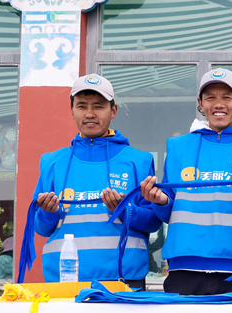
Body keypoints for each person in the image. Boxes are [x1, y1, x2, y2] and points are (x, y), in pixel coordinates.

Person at [140, 68, 232, 295]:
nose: (219, 104)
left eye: (227, 97)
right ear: (200, 103)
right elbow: (169, 210)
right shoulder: (178, 147)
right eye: (211, 97)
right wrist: (160, 201)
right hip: (183, 267)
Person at [32, 74, 160, 288]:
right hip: (65, 278)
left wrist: (124, 210)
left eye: (98, 106)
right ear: (72, 110)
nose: (90, 114)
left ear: (113, 111)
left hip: (124, 280)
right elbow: (41, 228)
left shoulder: (139, 160)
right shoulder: (52, 162)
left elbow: (153, 222)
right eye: (82, 106)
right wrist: (48, 212)